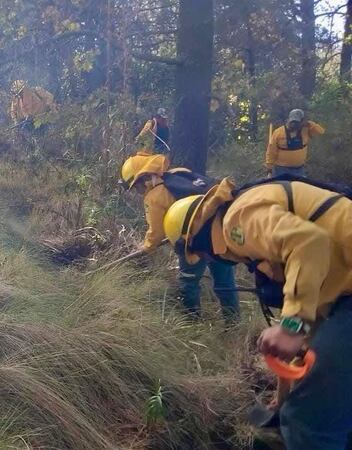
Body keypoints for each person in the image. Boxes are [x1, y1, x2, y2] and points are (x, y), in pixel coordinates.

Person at [163, 177, 352, 449]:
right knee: (327, 404)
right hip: (344, 298)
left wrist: (291, 327)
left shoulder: (237, 221)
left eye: (199, 254)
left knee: (309, 421)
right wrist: (283, 397)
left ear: (196, 239)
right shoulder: (250, 229)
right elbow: (314, 324)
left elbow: (310, 243)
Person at [120, 152, 239, 322]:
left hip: (193, 241)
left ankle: (193, 323)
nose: (138, 191)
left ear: (143, 178)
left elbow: (157, 232)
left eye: (136, 186)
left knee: (188, 282)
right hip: (219, 231)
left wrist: (146, 247)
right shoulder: (179, 173)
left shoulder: (154, 197)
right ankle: (233, 324)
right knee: (225, 281)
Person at [265, 109, 325, 177]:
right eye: (292, 122)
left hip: (299, 169)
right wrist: (269, 169)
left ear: (302, 122)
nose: (293, 124)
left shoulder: (306, 130)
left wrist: (309, 123)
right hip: (281, 170)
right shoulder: (278, 132)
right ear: (288, 120)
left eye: (296, 122)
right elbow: (271, 151)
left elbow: (321, 132)